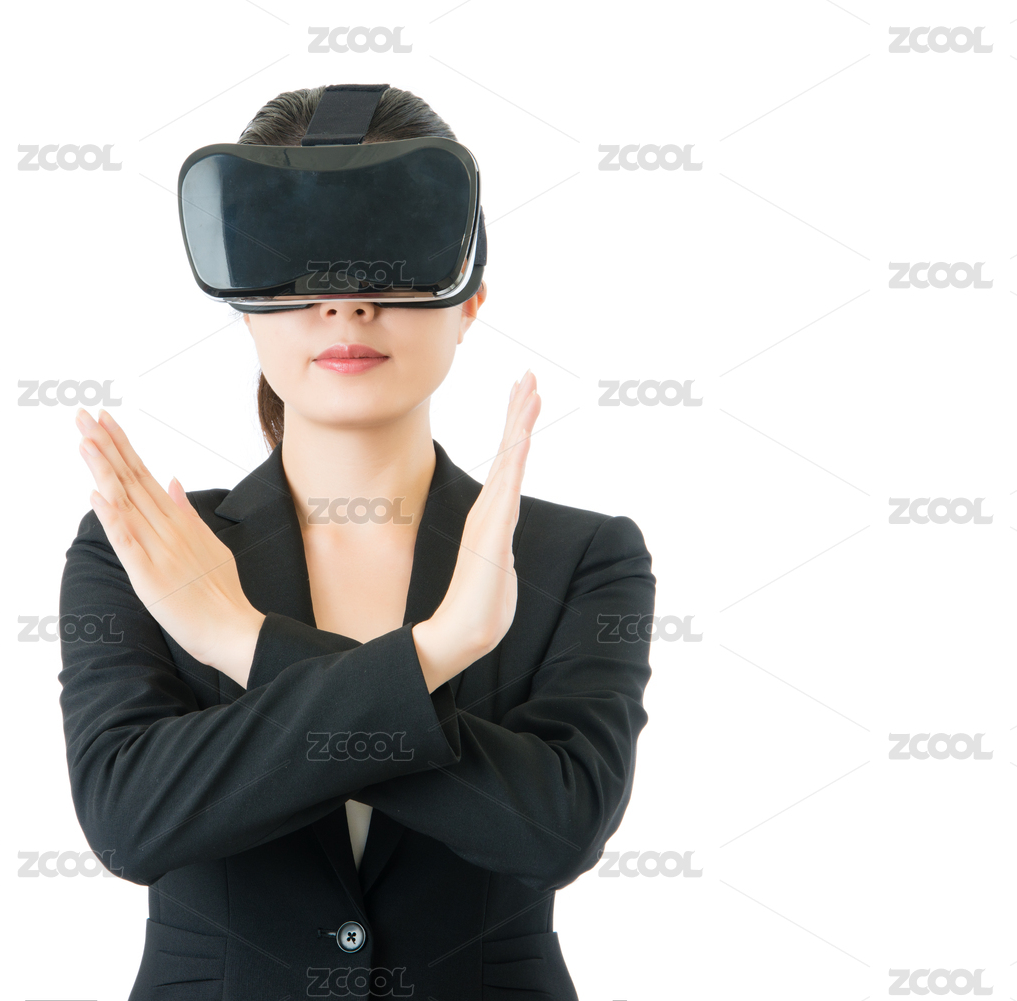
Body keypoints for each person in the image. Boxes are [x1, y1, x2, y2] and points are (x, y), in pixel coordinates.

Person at [58, 84, 656, 1001]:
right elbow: (131, 822)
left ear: (470, 297)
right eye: (298, 266)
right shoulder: (146, 548)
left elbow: (555, 831)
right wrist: (435, 652)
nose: (346, 304)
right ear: (246, 301)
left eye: (391, 258)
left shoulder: (581, 559)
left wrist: (246, 643)